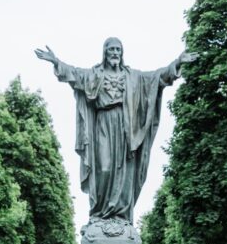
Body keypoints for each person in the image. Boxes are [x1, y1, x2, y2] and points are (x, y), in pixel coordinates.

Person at [35, 38, 196, 226]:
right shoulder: (95, 74)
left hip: (126, 128)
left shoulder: (133, 76)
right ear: (105, 52)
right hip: (103, 123)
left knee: (125, 171)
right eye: (111, 49)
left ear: (122, 53)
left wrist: (177, 63)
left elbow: (157, 78)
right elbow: (75, 74)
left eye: (118, 49)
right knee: (103, 167)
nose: (115, 53)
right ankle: (100, 214)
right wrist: (56, 61)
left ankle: (120, 216)